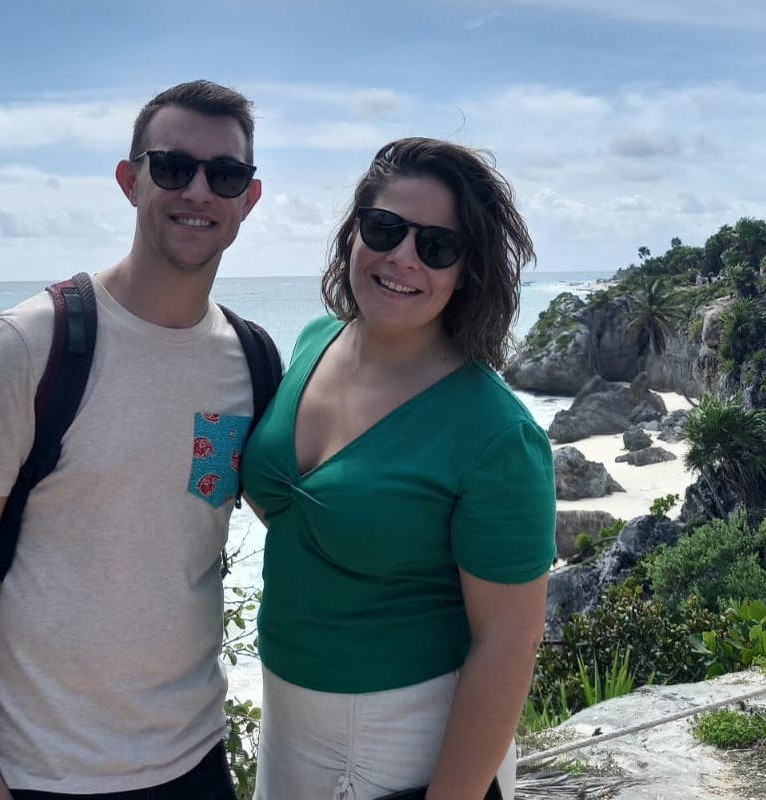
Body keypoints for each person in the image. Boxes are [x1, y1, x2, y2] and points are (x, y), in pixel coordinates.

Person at [0, 80, 264, 800]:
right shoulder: (33, 344)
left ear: (247, 200)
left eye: (223, 175)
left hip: (196, 762)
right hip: (36, 771)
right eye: (172, 167)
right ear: (129, 180)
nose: (197, 190)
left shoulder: (252, 362)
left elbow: (304, 516)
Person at [240, 138, 555, 800]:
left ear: (466, 270)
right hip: (289, 712)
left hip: (403, 734)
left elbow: (508, 642)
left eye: (437, 246)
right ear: (354, 231)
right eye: (385, 229)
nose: (402, 257)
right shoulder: (313, 342)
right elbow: (293, 508)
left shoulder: (496, 432)